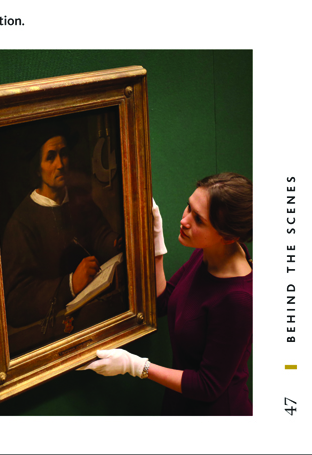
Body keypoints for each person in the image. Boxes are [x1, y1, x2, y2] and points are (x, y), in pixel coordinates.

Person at [84, 172, 252, 414]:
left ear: (228, 237)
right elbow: (164, 302)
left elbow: (208, 386)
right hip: (180, 404)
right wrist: (156, 240)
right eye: (189, 207)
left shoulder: (239, 300)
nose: (185, 220)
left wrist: (136, 366)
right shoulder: (209, 254)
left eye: (199, 220)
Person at [0, 129, 122, 354]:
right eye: (50, 157)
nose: (60, 164)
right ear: (37, 168)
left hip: (94, 319)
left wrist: (117, 242)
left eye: (63, 154)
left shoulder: (77, 199)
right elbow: (16, 301)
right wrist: (70, 283)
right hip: (49, 337)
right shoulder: (21, 224)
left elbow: (99, 234)